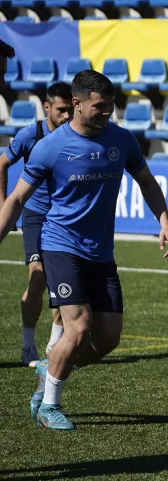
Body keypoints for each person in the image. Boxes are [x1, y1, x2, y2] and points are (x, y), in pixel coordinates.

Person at [0, 70, 168, 430]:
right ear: (77, 103)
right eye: (100, 106)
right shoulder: (50, 147)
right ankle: (50, 405)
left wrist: (165, 222)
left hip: (101, 252)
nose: (107, 112)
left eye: (112, 106)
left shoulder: (122, 141)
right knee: (78, 328)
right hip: (61, 245)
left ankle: (52, 371)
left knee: (109, 337)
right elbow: (18, 198)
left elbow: (146, 182)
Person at [0, 81, 72, 365]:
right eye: (61, 110)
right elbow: (2, 163)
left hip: (64, 217)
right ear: (47, 107)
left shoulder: (75, 135)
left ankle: (54, 345)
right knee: (38, 276)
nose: (67, 116)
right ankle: (28, 345)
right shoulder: (31, 135)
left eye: (70, 110)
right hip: (35, 214)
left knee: (61, 282)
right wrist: (4, 205)